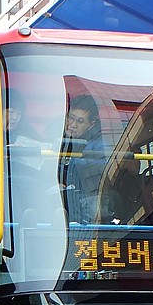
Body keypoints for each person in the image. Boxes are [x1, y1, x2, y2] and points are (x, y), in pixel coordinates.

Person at [58, 93, 105, 224]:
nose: (72, 124)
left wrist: (71, 162)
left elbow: (101, 167)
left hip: (85, 196)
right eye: (71, 118)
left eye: (80, 121)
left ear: (91, 125)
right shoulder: (52, 135)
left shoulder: (98, 145)